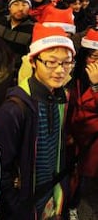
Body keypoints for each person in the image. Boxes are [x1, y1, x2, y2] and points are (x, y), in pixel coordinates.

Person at [0, 23, 76, 220]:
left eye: (66, 62)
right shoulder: (14, 109)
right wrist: (16, 207)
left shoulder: (61, 97)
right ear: (33, 61)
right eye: (51, 62)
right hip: (25, 206)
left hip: (51, 200)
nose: (60, 71)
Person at [67, 28, 98, 220]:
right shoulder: (73, 77)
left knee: (85, 178)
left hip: (92, 140)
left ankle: (76, 205)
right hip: (72, 137)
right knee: (71, 176)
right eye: (94, 56)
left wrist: (96, 86)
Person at [0, 0, 34, 81]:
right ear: (9, 7)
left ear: (29, 8)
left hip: (16, 76)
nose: (20, 8)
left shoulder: (33, 28)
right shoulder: (1, 21)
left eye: (24, 5)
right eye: (16, 4)